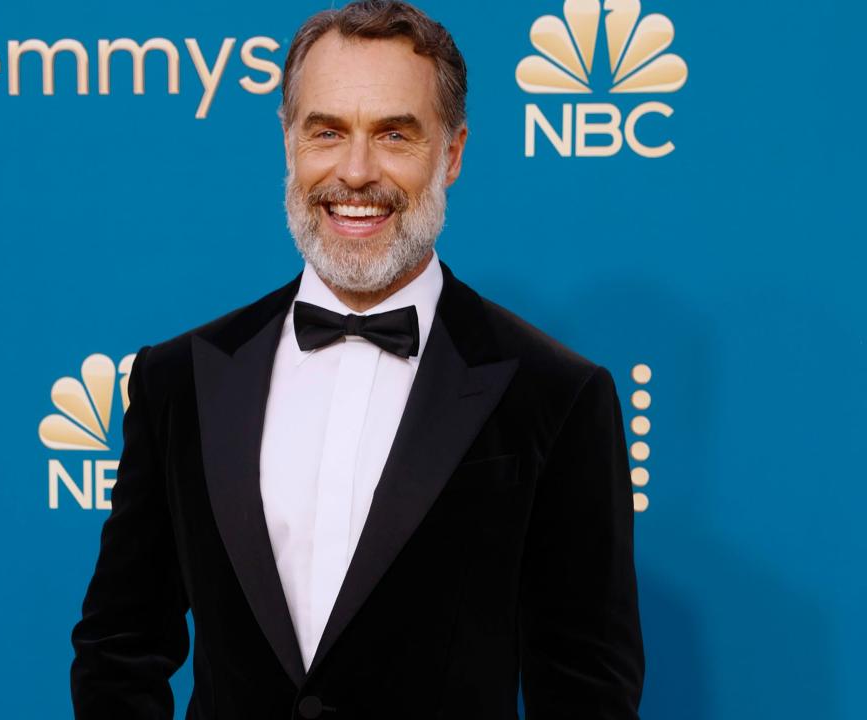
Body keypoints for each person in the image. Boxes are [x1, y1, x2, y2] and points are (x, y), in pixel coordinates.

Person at [69, 1, 645, 718]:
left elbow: (587, 691)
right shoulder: (178, 378)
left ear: (453, 153)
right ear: (289, 142)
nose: (356, 171)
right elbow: (119, 647)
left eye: (395, 134)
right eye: (328, 132)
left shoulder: (556, 395)